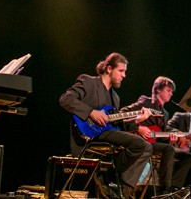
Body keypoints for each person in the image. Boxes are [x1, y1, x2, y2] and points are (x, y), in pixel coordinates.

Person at [59, 52, 153, 199]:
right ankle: (121, 187)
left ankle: (113, 179)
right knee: (141, 145)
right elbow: (65, 99)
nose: (124, 76)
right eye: (121, 71)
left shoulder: (115, 97)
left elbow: (117, 125)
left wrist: (137, 120)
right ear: (109, 69)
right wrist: (91, 112)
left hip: (106, 133)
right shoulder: (88, 81)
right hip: (87, 133)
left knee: (145, 146)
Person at [120, 76, 191, 194]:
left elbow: (161, 134)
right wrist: (138, 127)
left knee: (186, 155)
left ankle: (172, 188)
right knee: (168, 149)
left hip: (152, 144)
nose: (171, 94)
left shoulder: (165, 113)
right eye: (169, 90)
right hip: (139, 142)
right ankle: (165, 190)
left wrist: (173, 138)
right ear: (158, 89)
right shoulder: (145, 102)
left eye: (172, 92)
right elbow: (123, 112)